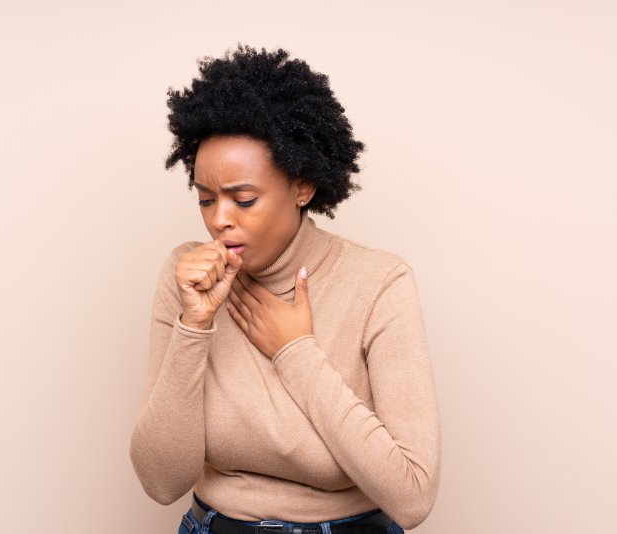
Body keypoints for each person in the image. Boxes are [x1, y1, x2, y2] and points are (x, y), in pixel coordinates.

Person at [130, 45, 441, 534]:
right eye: (206, 200)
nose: (219, 220)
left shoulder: (380, 283)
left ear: (303, 187)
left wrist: (295, 350)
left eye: (244, 199)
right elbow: (161, 481)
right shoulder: (189, 278)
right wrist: (194, 325)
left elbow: (412, 496)